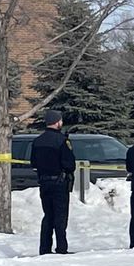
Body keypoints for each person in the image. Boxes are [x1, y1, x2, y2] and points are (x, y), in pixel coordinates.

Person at [30, 109, 76, 255]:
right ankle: (61, 248)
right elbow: (70, 164)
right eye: (60, 121)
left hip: (44, 183)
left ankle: (44, 248)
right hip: (59, 182)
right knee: (60, 217)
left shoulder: (37, 141)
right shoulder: (62, 141)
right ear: (57, 122)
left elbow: (33, 162)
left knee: (48, 215)